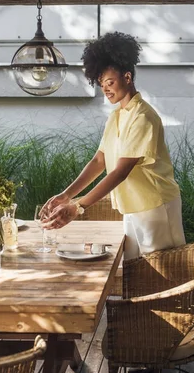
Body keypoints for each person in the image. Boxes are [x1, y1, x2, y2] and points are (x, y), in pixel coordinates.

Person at [41, 31, 185, 260]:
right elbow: (99, 160)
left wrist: (78, 207)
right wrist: (66, 195)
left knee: (163, 273)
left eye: (110, 82)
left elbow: (119, 172)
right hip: (131, 207)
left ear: (127, 78)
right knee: (131, 271)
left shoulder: (143, 117)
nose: (105, 89)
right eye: (101, 84)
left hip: (156, 207)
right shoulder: (117, 116)